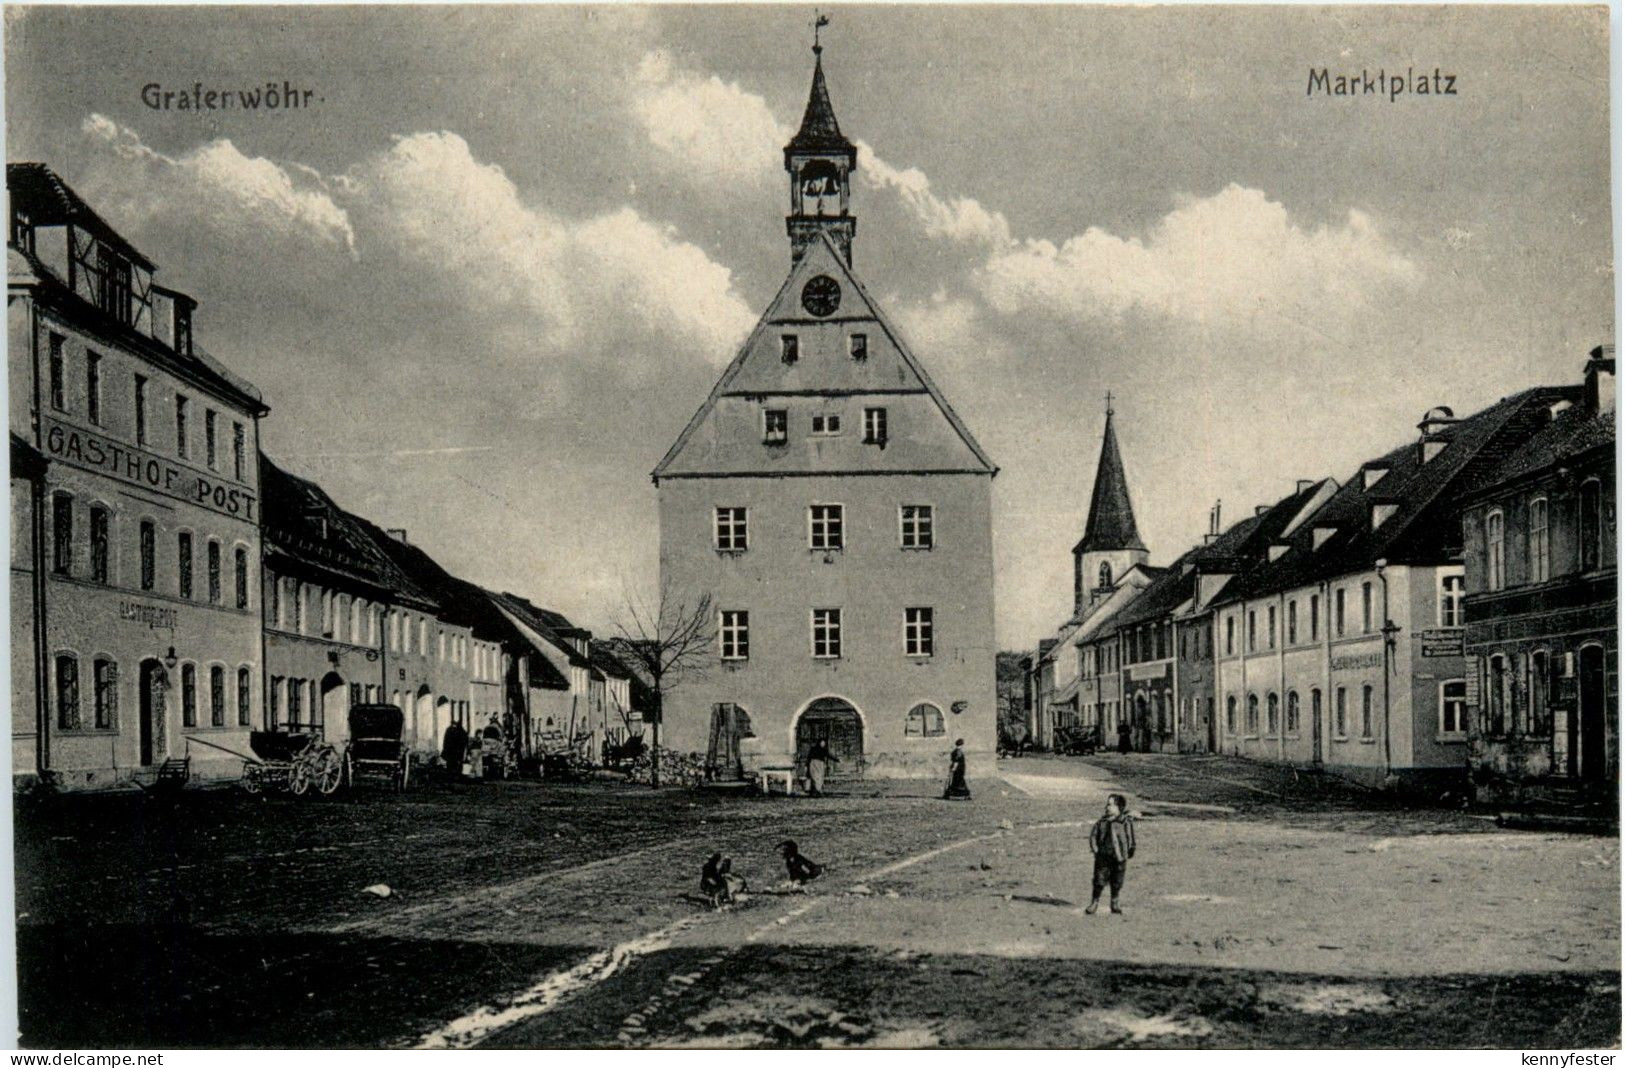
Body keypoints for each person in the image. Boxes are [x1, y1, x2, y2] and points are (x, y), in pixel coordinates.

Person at [1084, 793, 1136, 915]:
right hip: (1103, 856)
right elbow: (1093, 836)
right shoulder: (1101, 823)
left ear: (1119, 808)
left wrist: (1131, 848)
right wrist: (1095, 849)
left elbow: (1130, 836)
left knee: (1117, 880)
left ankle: (1114, 902)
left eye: (1110, 805)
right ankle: (1094, 902)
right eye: (1107, 805)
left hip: (1119, 856)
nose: (1107, 807)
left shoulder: (1125, 822)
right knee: (1099, 879)